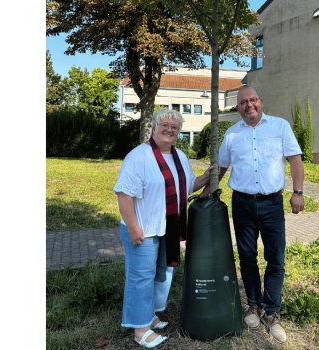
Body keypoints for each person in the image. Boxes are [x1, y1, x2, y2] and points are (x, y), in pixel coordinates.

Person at [203, 85, 304, 344]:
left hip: (272, 204)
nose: (249, 105)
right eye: (243, 102)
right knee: (247, 257)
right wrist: (206, 192)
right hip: (242, 204)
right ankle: (254, 306)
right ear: (237, 107)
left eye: (253, 100)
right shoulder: (232, 135)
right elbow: (222, 167)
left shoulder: (280, 127)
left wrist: (298, 192)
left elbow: (295, 160)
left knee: (276, 258)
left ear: (261, 101)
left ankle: (272, 313)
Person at [114, 108, 212, 348]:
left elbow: (187, 186)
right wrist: (134, 226)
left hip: (167, 227)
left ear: (179, 132)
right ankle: (140, 329)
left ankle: (149, 316)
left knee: (159, 275)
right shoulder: (140, 156)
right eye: (165, 125)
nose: (170, 129)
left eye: (175, 127)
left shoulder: (179, 156)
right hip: (144, 229)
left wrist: (209, 176)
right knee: (141, 278)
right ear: (154, 127)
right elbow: (124, 194)